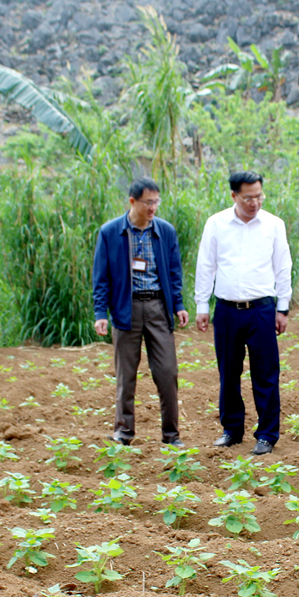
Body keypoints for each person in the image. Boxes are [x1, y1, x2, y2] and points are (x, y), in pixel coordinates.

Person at [194, 170, 292, 456]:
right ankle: (232, 429)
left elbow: (283, 267)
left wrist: (282, 307)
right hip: (226, 310)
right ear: (234, 196)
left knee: (265, 374)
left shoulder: (274, 225)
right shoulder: (216, 224)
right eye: (248, 197)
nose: (254, 202)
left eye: (259, 196)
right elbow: (206, 265)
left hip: (261, 309)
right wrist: (202, 305)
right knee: (228, 373)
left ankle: (267, 434)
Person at [92, 177, 188, 446]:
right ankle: (123, 432)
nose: (153, 207)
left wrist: (178, 305)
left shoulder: (165, 231)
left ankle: (171, 436)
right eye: (148, 202)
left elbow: (174, 272)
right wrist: (101, 313)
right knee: (126, 375)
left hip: (158, 307)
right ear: (133, 201)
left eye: (156, 201)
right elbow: (101, 278)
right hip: (126, 309)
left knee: (167, 373)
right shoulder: (110, 232)